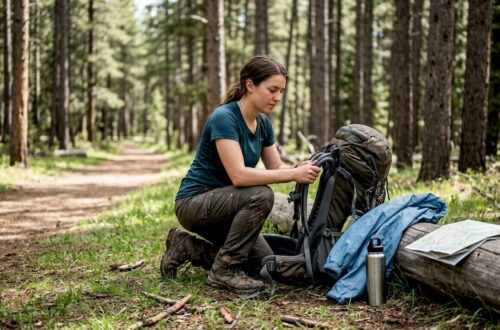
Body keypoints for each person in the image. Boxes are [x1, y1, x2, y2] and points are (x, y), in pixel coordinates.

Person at [160, 55, 321, 294]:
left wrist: (302, 166)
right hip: (195, 204)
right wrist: (292, 174)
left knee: (266, 265)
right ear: (250, 85)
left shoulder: (263, 123)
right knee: (262, 195)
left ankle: (188, 247)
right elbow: (239, 176)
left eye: (281, 91)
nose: (277, 98)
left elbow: (276, 167)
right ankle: (224, 272)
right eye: (272, 90)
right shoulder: (224, 117)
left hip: (228, 207)